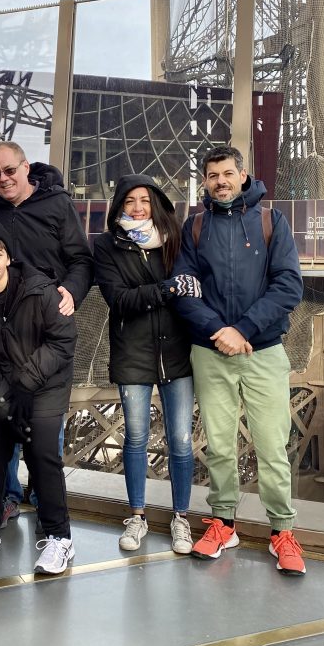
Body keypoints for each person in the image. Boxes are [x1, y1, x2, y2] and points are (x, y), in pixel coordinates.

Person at [173, 145, 306, 576]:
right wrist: (219, 330)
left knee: (271, 445)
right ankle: (223, 523)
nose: (221, 182)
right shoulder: (194, 227)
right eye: (212, 176)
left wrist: (243, 329)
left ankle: (282, 531)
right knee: (219, 444)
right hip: (211, 351)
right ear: (205, 181)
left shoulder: (272, 222)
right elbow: (183, 286)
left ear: (243, 174)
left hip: (263, 350)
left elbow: (289, 285)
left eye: (227, 173)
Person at [0, 218, 77, 575]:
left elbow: (63, 341)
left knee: (41, 451)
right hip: (5, 387)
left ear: (8, 258)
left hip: (47, 382)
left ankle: (60, 538)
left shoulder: (40, 290)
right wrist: (6, 401)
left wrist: (27, 383)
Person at [0, 141, 93, 526]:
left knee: (47, 423)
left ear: (26, 167)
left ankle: (44, 494)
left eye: (9, 170)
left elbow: (81, 259)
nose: (3, 179)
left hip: (47, 325)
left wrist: (72, 292)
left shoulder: (57, 204)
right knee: (5, 410)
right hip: (4, 325)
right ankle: (9, 496)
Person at [94, 175, 200, 555]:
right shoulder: (106, 246)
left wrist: (156, 294)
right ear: (119, 207)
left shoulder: (176, 240)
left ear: (156, 204)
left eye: (144, 200)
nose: (138, 208)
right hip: (132, 353)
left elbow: (191, 286)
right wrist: (167, 290)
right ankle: (137, 515)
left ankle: (181, 518)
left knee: (182, 440)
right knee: (136, 437)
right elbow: (119, 299)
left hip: (177, 352)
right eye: (130, 201)